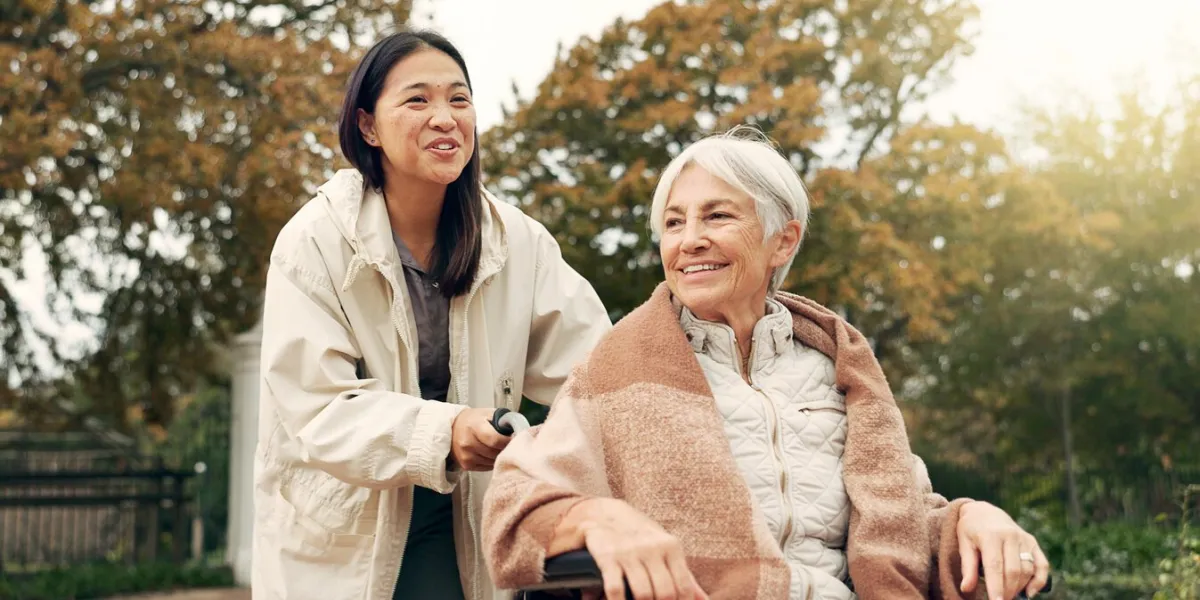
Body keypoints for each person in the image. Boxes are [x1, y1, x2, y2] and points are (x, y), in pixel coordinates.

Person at [482, 127, 1052, 600]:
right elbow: (515, 504)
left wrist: (971, 519)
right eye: (675, 223)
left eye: (717, 216)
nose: (691, 240)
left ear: (783, 241)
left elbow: (897, 525)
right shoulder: (620, 371)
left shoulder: (838, 366)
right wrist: (594, 520)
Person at [252, 29, 611, 600]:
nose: (444, 117)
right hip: (350, 522)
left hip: (471, 514)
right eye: (418, 100)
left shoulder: (517, 240)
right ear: (368, 125)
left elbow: (598, 374)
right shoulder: (315, 239)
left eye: (459, 99)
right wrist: (446, 430)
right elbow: (316, 408)